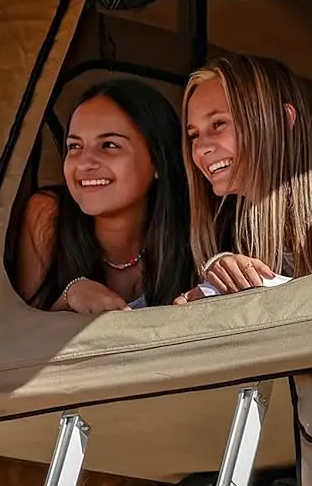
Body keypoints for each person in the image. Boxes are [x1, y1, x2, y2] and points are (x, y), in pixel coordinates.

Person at [177, 52, 312, 301]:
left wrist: (256, 284)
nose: (200, 148)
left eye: (218, 124)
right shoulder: (229, 218)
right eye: (194, 135)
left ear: (282, 120)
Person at [15, 78, 195, 313]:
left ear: (158, 160)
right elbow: (19, 335)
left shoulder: (192, 224)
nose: (85, 163)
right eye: (75, 146)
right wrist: (70, 296)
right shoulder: (48, 215)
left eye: (109, 145)